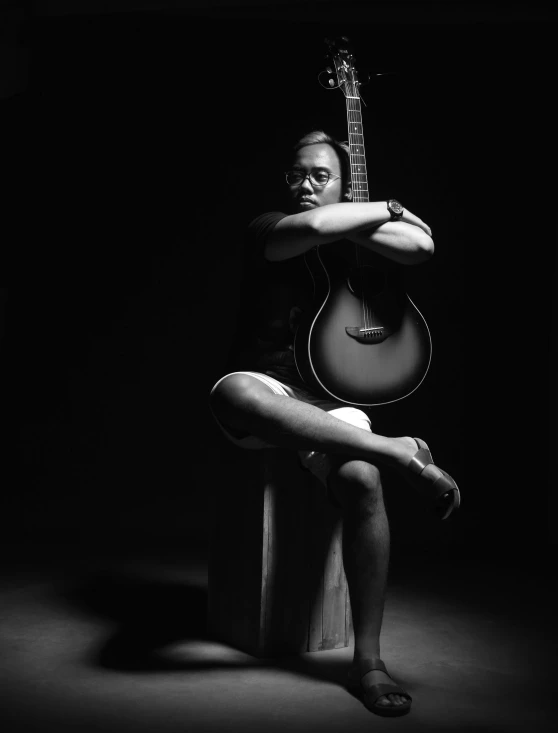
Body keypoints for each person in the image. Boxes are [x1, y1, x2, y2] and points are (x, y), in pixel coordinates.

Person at [209, 130, 460, 717]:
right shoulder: (269, 227)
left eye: (320, 176)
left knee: (362, 483)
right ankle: (399, 452)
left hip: (328, 405)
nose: (304, 186)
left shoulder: (357, 237)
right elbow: (320, 228)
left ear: (346, 187)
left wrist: (375, 220)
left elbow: (421, 250)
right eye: (296, 174)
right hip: (266, 392)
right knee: (236, 392)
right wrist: (391, 208)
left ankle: (368, 661)